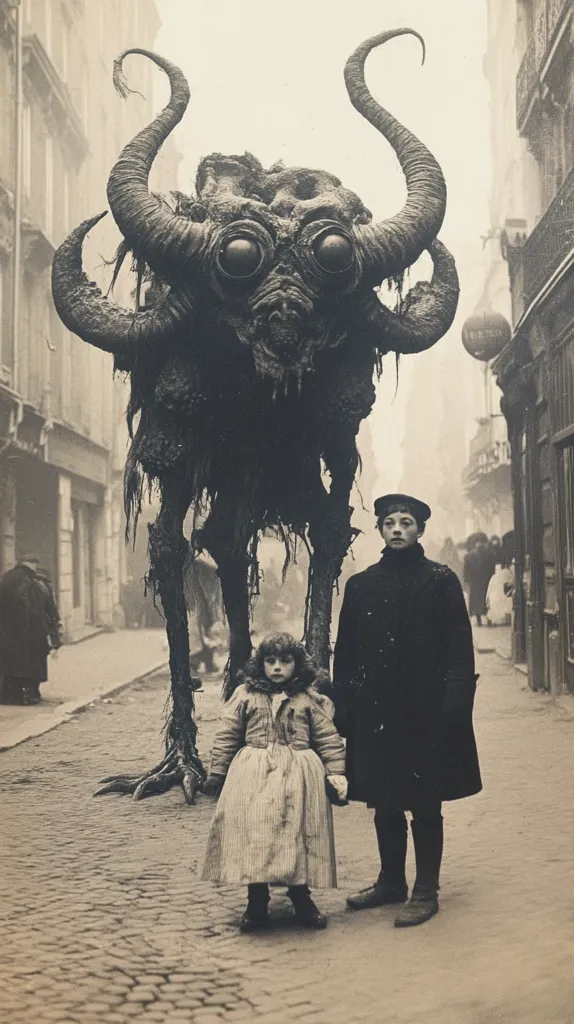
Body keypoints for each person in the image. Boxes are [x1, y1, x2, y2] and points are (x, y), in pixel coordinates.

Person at [333, 494, 482, 928]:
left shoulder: (441, 580)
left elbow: (459, 645)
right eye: (390, 523)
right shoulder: (361, 585)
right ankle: (391, 881)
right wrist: (345, 705)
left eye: (406, 523)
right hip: (375, 710)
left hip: (426, 710)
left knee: (424, 799)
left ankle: (425, 889)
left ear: (420, 531)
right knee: (382, 798)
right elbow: (346, 652)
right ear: (379, 530)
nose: (397, 529)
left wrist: (454, 704)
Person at [201, 632, 347, 932]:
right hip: (254, 774)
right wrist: (217, 773)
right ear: (261, 664)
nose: (277, 668)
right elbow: (228, 734)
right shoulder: (246, 694)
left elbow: (328, 738)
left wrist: (336, 772)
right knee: (257, 832)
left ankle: (301, 897)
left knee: (299, 831)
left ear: (297, 664)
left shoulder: (308, 697)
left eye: (285, 661)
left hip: (299, 774)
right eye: (270, 661)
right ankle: (256, 900)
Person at [0, 555, 59, 705]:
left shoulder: (6, 578)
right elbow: (50, 609)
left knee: (10, 663)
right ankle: (31, 694)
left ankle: (9, 695)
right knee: (34, 663)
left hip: (9, 631)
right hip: (35, 631)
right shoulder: (40, 582)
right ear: (34, 564)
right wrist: (54, 631)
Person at [463, 532, 495, 627]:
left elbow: (491, 567)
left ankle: (483, 616)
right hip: (478, 581)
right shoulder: (470, 556)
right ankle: (479, 617)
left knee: (481, 599)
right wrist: (466, 579)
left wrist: (467, 579)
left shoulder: (487, 554)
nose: (479, 545)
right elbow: (466, 569)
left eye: (480, 542)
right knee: (479, 599)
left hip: (481, 581)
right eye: (477, 543)